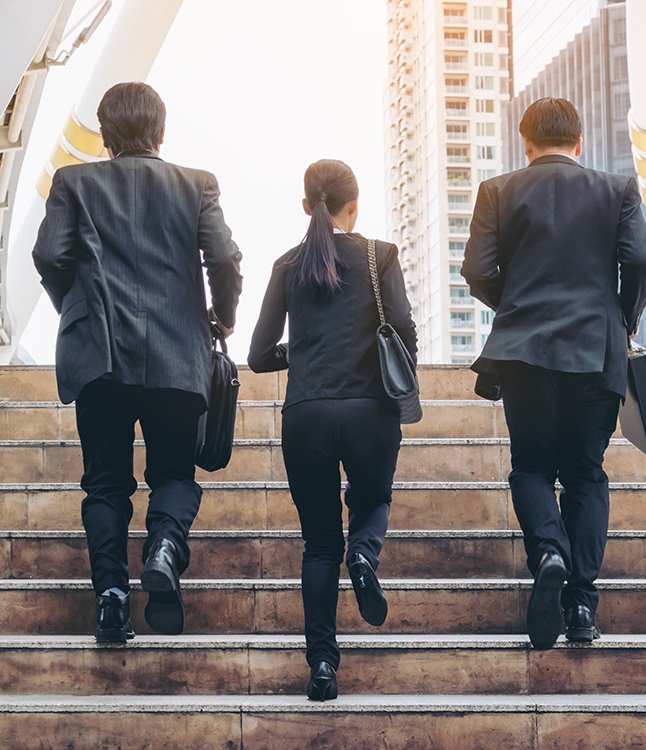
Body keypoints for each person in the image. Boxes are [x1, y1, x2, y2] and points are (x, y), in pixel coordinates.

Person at [32, 82, 243, 642]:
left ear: (103, 137)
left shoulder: (72, 184)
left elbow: (49, 254)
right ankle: (166, 548)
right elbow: (223, 257)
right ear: (161, 132)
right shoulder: (196, 184)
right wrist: (221, 319)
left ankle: (111, 596)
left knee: (105, 485)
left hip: (99, 358)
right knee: (174, 472)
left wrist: (77, 308)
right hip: (179, 357)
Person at [462, 97, 646, 649]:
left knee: (531, 468)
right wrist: (623, 319)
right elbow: (638, 263)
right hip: (596, 351)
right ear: (579, 142)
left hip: (524, 352)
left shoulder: (497, 190)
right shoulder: (616, 190)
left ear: (525, 143)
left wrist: (516, 306)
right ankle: (582, 608)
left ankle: (548, 551)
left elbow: (477, 269)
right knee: (586, 473)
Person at [248, 159, 417, 701]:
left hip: (307, 415)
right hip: (370, 412)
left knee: (320, 545)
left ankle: (322, 667)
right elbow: (405, 330)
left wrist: (303, 354)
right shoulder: (379, 255)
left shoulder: (287, 265)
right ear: (354, 204)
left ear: (305, 206)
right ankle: (365, 554)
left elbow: (256, 355)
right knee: (372, 502)